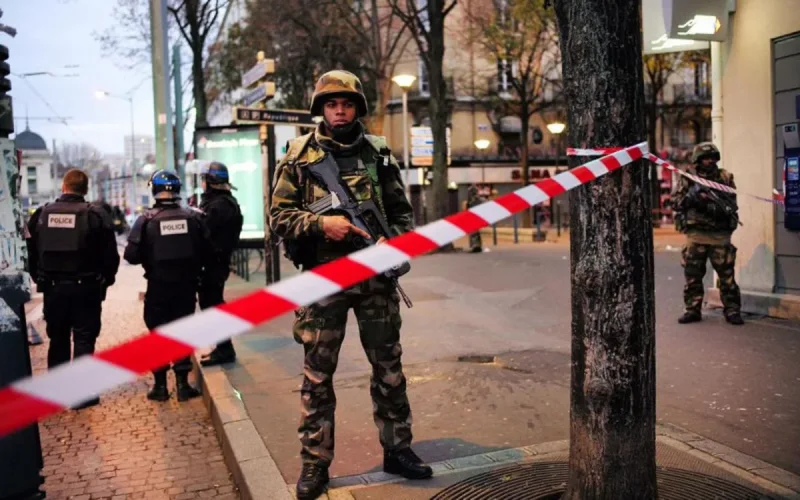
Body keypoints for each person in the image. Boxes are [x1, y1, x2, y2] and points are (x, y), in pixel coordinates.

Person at [270, 70, 431, 500]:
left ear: (356, 108)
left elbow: (402, 214)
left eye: (346, 104)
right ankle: (315, 463)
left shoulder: (378, 153)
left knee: (389, 368)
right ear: (321, 109)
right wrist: (322, 224)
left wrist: (392, 242)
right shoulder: (298, 156)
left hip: (375, 279)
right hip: (324, 280)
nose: (339, 111)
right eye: (331, 104)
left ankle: (398, 449)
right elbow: (278, 217)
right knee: (317, 377)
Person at [26, 168, 120, 409]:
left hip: (54, 289)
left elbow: (30, 252)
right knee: (84, 339)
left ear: (63, 187)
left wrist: (40, 278)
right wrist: (105, 281)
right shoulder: (95, 215)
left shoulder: (42, 214)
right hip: (86, 289)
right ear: (85, 190)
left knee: (57, 339)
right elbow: (110, 256)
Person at [124, 170, 217, 401]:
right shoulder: (194, 217)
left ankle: (160, 387)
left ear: (154, 190)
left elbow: (131, 256)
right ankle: (183, 385)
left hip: (158, 287)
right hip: (186, 287)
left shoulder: (146, 220)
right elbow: (209, 252)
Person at [673, 142, 744, 325]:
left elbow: (731, 204)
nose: (710, 161)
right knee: (693, 276)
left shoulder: (725, 178)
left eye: (713, 158)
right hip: (696, 235)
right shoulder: (688, 178)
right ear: (697, 160)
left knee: (727, 277)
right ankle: (692, 309)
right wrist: (693, 197)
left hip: (720, 235)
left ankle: (732, 309)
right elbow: (676, 203)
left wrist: (714, 205)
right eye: (706, 158)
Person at [197, 162, 244, 367]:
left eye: (203, 180)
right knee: (212, 304)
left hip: (213, 264)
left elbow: (205, 234)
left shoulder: (218, 206)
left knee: (213, 305)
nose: (202, 183)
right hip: (217, 262)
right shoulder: (224, 202)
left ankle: (225, 349)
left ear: (210, 182)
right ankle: (222, 347)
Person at [465, 184, 484, 252]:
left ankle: (475, 246)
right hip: (475, 215)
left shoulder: (473, 200)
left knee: (473, 231)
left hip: (473, 215)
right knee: (475, 231)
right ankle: (477, 245)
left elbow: (469, 206)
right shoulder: (478, 199)